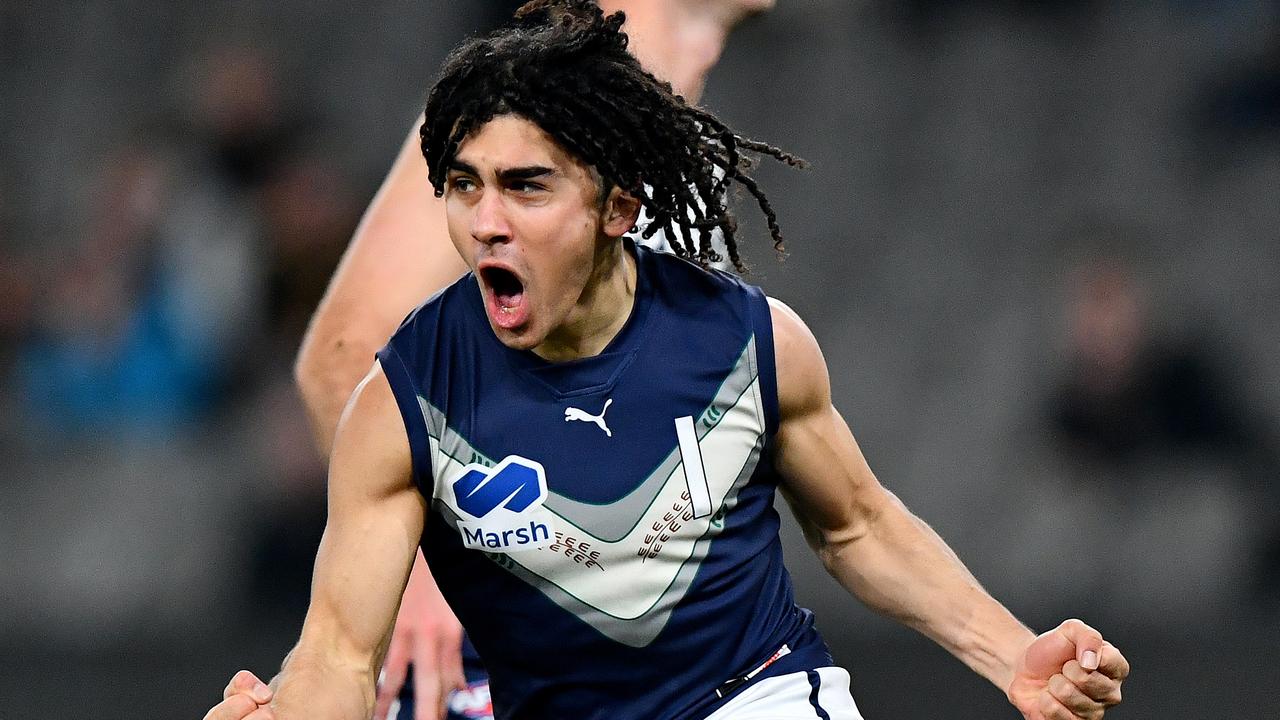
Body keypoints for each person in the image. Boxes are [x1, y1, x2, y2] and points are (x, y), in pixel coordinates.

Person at [206, 2, 1129, 719]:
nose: (485, 221)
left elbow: (856, 527)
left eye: (526, 187)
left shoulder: (748, 341)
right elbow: (338, 655)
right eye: (462, 187)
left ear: (617, 208)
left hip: (756, 695)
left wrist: (1013, 653)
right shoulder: (406, 398)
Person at [293, 2, 774, 719]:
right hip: (497, 650)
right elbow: (343, 352)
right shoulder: (543, 94)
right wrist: (421, 583)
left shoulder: (648, 78)